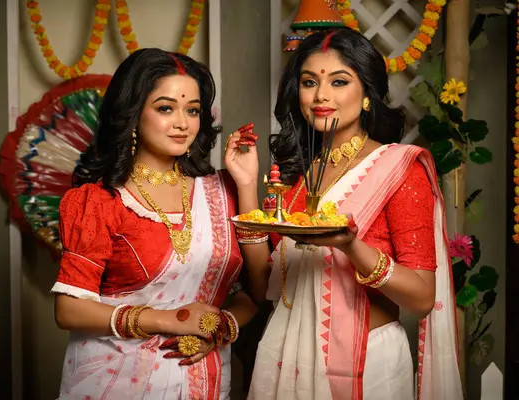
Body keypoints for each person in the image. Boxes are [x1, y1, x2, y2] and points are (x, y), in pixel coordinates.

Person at [225, 28, 463, 399]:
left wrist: (352, 248)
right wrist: (245, 184)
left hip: (369, 365)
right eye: (309, 82)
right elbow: (264, 286)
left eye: (339, 81)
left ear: (367, 94)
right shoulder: (299, 175)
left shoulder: (398, 168)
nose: (321, 95)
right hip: (285, 352)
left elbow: (420, 298)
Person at [51, 48, 257, 400]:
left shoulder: (222, 191)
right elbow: (68, 310)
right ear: (132, 114)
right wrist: (170, 319)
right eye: (165, 108)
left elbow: (260, 291)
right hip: (116, 380)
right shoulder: (101, 201)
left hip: (204, 379)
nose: (183, 123)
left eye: (192, 110)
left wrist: (219, 328)